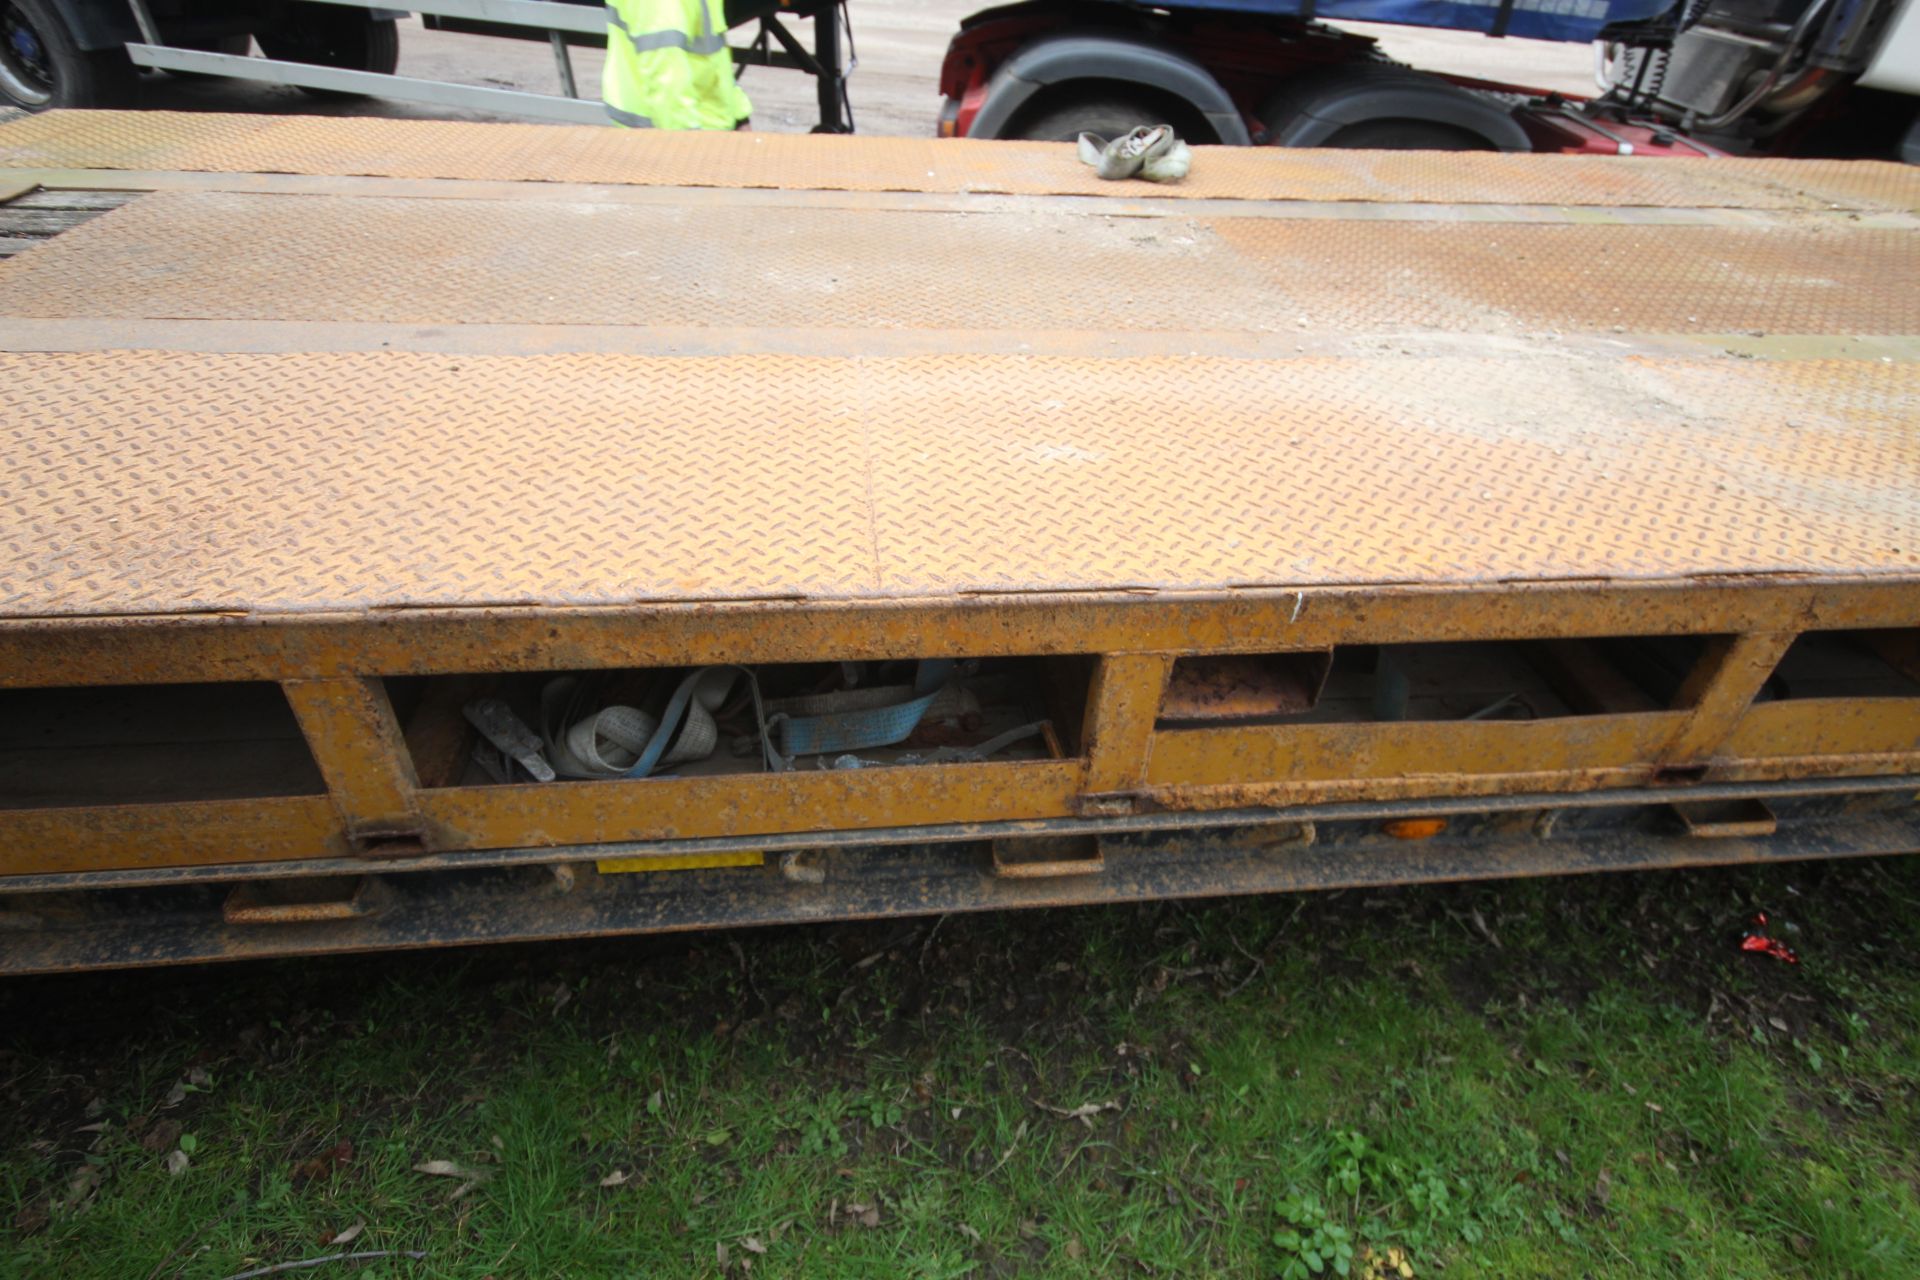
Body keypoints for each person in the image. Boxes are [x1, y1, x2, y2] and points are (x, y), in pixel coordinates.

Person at [602, 0, 751, 130]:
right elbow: (666, 79)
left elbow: (715, 57)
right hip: (667, 136)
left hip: (706, 130)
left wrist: (739, 117)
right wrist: (686, 149)